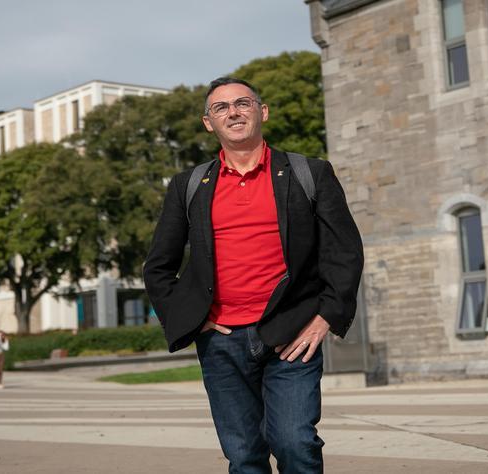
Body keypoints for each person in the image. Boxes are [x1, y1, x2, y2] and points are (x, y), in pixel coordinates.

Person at [143, 77, 363, 473]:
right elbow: (158, 266)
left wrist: (326, 317)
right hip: (221, 342)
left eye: (243, 103)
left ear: (262, 112)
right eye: (221, 108)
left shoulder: (309, 173)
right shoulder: (187, 186)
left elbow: (344, 251)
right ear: (208, 122)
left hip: (292, 333)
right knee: (244, 457)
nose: (233, 112)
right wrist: (194, 319)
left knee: (295, 443)